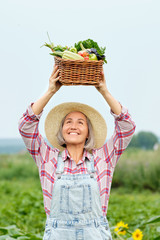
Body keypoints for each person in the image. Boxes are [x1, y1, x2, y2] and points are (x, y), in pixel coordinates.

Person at [18, 64, 136, 240]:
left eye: (80, 122)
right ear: (62, 130)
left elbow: (127, 127)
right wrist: (51, 90)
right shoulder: (47, 157)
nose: (73, 126)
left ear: (89, 131)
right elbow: (26, 126)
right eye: (68, 122)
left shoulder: (103, 157)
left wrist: (104, 91)